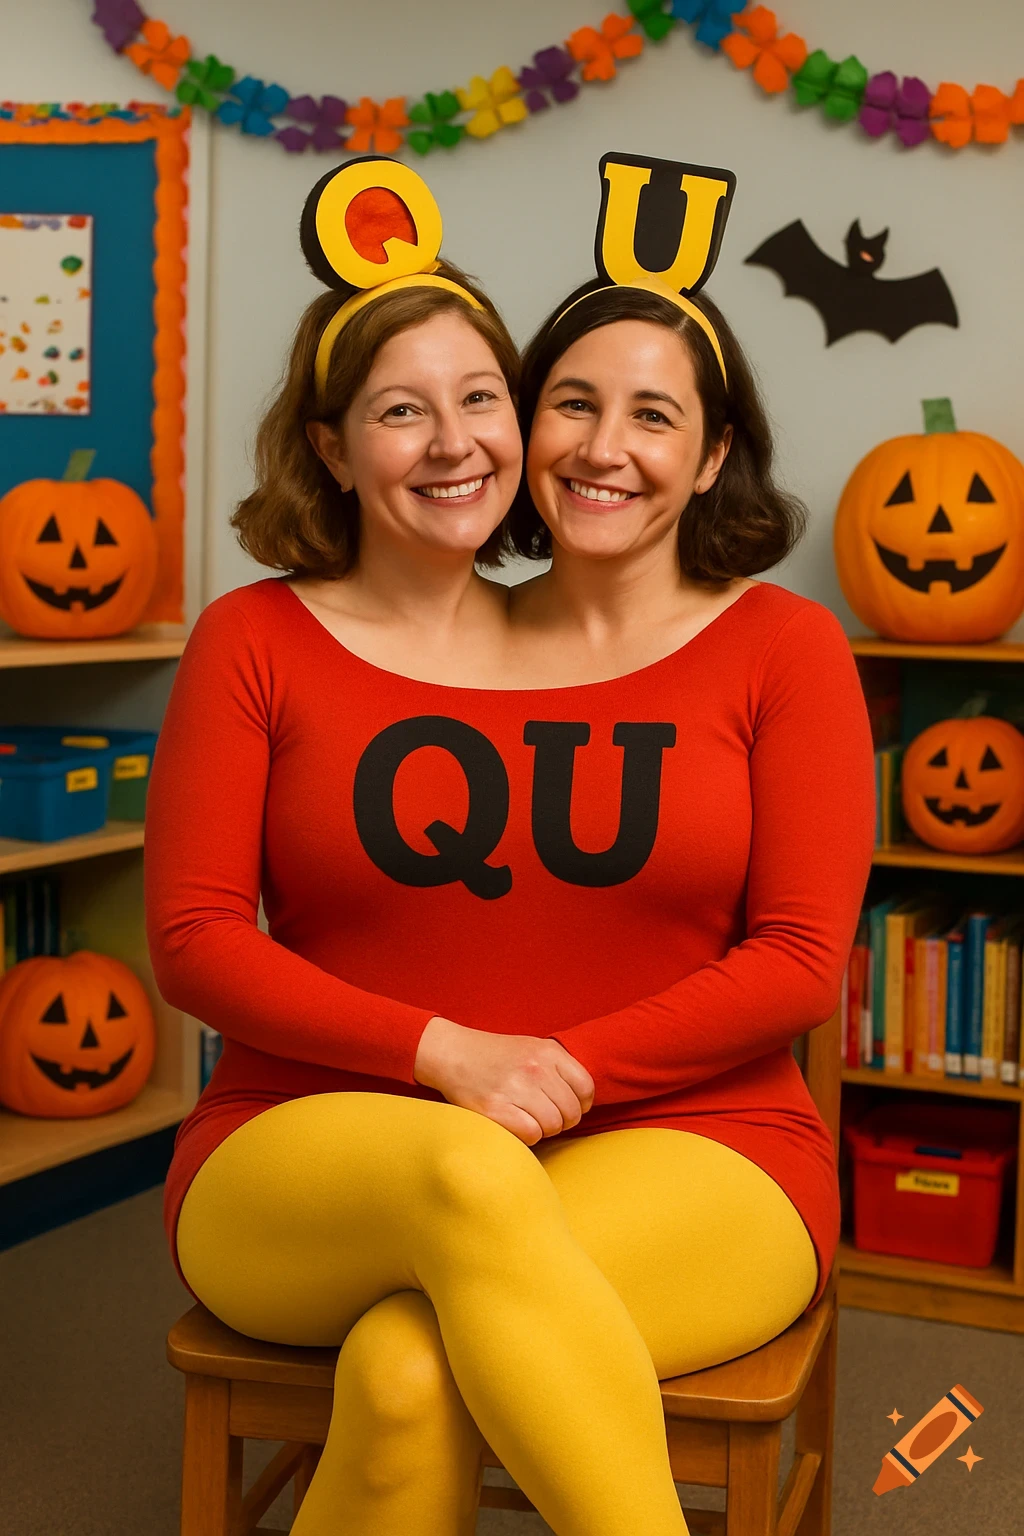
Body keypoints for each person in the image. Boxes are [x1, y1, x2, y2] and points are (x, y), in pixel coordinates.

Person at [146, 154, 874, 1536]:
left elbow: (796, 958)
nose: (599, 447)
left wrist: (565, 1070)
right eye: (571, 406)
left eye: (654, 414)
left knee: (412, 1370)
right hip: (323, 1144)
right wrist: (452, 1057)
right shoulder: (367, 631)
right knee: (467, 1179)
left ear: (713, 452)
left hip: (697, 1144)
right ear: (329, 442)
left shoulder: (774, 647)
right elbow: (192, 937)